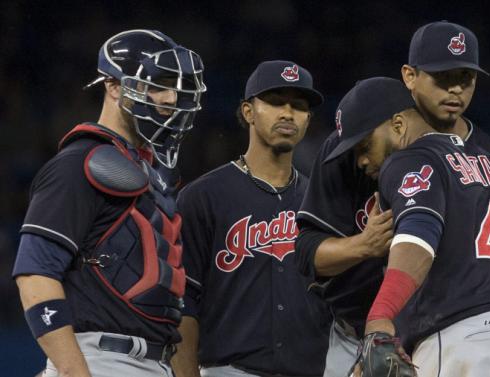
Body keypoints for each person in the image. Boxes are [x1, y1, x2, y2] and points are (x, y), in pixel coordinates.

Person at [294, 20, 490, 376]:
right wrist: (362, 246)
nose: (454, 89)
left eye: (465, 77)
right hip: (353, 333)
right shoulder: (357, 141)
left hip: (447, 334)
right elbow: (305, 252)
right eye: (441, 77)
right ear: (410, 76)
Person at [332, 76, 490, 377]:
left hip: (462, 343)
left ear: (398, 125)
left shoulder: (410, 160)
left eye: (364, 145)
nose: (360, 161)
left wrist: (379, 318)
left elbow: (419, 237)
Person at [12, 29, 206, 377]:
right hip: (100, 360)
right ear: (114, 86)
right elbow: (35, 275)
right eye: (157, 85)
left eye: (175, 89)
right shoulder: (78, 162)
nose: (169, 99)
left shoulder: (151, 172)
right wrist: (74, 372)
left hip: (154, 362)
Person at [172, 60, 330, 377]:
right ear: (248, 112)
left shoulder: (321, 202)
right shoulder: (203, 197)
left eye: (298, 107)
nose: (287, 113)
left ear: (308, 120)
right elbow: (182, 303)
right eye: (274, 102)